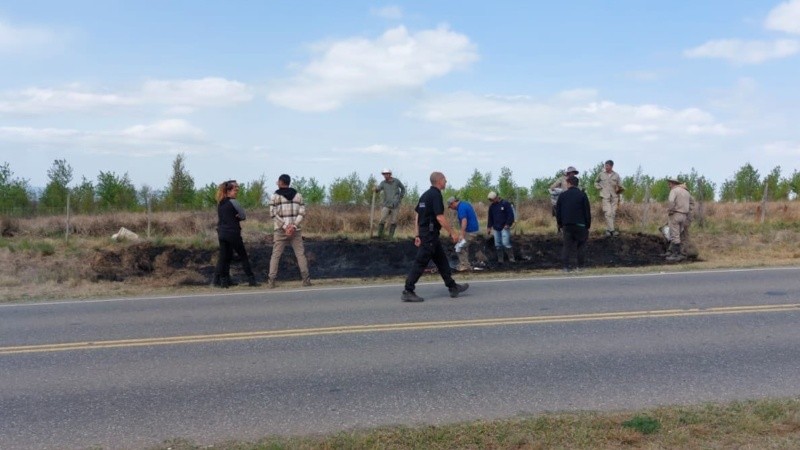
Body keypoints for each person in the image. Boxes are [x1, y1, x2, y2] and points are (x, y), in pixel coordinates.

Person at [401, 171, 469, 302]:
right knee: (420, 262)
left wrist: (417, 234)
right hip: (429, 235)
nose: (446, 182)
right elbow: (440, 217)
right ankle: (408, 290)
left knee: (442, 261)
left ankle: (452, 287)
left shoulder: (425, 195)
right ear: (439, 181)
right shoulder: (436, 195)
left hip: (428, 234)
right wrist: (452, 232)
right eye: (444, 179)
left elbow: (418, 215)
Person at [267, 174, 311, 288]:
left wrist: (285, 226)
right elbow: (302, 213)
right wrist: (293, 226)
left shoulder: (275, 196)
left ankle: (271, 281)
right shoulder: (298, 196)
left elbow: (273, 214)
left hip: (280, 230)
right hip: (296, 230)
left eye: (278, 181)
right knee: (300, 255)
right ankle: (306, 280)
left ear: (281, 182)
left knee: (275, 255)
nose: (277, 183)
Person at [213, 180, 258, 288]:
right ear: (228, 191)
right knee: (243, 256)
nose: (236, 193)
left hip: (222, 233)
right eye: (235, 191)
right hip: (233, 233)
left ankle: (224, 282)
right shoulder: (234, 202)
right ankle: (251, 280)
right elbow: (243, 215)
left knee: (224, 257)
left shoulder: (220, 203)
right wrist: (237, 217)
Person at [555, 175, 591, 272]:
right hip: (581, 225)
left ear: (569, 183)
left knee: (567, 246)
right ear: (577, 184)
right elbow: (587, 211)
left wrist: (560, 224)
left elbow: (558, 212)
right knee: (581, 246)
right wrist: (588, 225)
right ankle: (580, 267)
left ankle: (566, 267)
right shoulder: (582, 195)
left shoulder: (562, 196)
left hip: (567, 225)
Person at [665, 177, 696, 262]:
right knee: (680, 235)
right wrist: (689, 215)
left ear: (673, 183)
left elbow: (671, 201)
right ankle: (678, 253)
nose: (669, 185)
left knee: (675, 235)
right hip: (684, 216)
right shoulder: (686, 192)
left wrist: (670, 211)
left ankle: (676, 255)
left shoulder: (674, 191)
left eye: (669, 184)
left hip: (676, 214)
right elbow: (692, 203)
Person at [447, 196, 479, 271]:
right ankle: (465, 264)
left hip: (470, 231)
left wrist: (461, 235)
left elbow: (464, 221)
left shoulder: (461, 208)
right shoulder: (465, 204)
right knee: (464, 247)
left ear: (453, 203)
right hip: (472, 230)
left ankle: (465, 266)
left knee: (459, 247)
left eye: (450, 206)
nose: (451, 208)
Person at [374, 168, 406, 238]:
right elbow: (378, 189)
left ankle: (390, 237)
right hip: (386, 204)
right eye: (384, 174)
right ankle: (380, 236)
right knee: (382, 220)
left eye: (386, 174)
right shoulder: (383, 183)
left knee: (393, 221)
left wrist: (400, 198)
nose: (385, 176)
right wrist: (375, 189)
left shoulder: (396, 181)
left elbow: (403, 188)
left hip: (395, 205)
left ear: (390, 174)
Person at [594, 159, 623, 237]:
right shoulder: (601, 174)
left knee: (613, 213)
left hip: (614, 197)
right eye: (605, 166)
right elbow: (596, 182)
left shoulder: (616, 175)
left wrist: (620, 190)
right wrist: (599, 188)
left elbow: (620, 185)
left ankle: (608, 230)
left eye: (607, 166)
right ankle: (612, 231)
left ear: (611, 166)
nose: (606, 167)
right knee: (608, 212)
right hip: (605, 196)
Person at [486, 191, 515, 264]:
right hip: (496, 228)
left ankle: (511, 258)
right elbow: (490, 218)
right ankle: (500, 260)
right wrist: (489, 227)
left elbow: (510, 215)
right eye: (490, 200)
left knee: (505, 243)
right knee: (498, 245)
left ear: (496, 198)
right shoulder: (492, 207)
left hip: (504, 227)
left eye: (492, 200)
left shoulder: (505, 204)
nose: (491, 201)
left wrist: (508, 224)